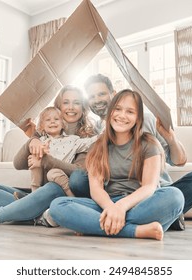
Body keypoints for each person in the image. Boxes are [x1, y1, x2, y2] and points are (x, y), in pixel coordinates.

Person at [68, 74, 192, 230]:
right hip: (114, 196)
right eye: (92, 96)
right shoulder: (95, 131)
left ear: (114, 94)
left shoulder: (147, 119)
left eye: (102, 94)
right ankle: (157, 219)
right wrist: (37, 138)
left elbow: (179, 161)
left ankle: (114, 220)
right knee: (77, 179)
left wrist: (171, 139)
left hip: (152, 192)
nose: (97, 100)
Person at [0, 85, 96, 227]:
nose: (71, 107)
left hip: (59, 191)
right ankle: (37, 215)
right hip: (38, 193)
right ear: (58, 107)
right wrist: (33, 141)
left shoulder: (86, 139)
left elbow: (79, 173)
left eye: (76, 103)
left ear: (83, 109)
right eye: (66, 102)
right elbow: (18, 164)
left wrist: (45, 161)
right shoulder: (44, 133)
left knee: (52, 187)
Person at [50, 89, 184, 240]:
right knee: (58, 206)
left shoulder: (149, 144)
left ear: (138, 118)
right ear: (110, 112)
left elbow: (149, 187)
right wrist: (112, 208)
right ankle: (137, 231)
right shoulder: (98, 146)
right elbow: (96, 190)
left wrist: (121, 207)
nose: (122, 116)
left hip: (139, 203)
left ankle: (93, 226)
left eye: (130, 112)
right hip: (108, 203)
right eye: (118, 109)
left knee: (175, 196)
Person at [26, 106, 98, 197]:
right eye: (48, 120)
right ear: (42, 126)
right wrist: (41, 153)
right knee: (33, 158)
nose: (52, 121)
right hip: (44, 177)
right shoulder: (40, 141)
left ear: (63, 124)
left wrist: (103, 135)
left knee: (53, 173)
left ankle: (71, 197)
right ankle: (34, 194)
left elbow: (89, 143)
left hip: (61, 175)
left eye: (56, 119)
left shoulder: (72, 140)